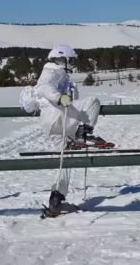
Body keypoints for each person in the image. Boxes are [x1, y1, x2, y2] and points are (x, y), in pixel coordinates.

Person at [34, 44, 110, 214]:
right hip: (59, 117)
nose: (74, 64)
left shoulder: (60, 74)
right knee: (93, 102)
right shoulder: (52, 70)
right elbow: (43, 87)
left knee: (65, 160)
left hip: (52, 122)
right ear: (64, 59)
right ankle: (83, 133)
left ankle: (56, 199)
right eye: (72, 60)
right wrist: (59, 97)